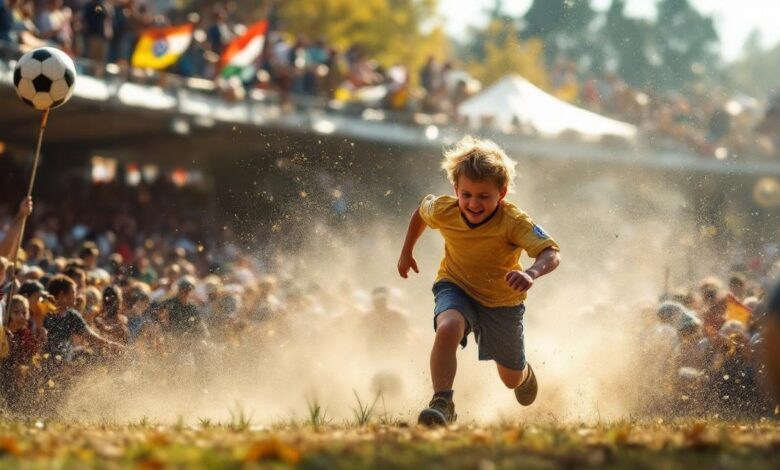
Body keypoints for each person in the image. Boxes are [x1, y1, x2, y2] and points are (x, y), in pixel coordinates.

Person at [397, 136, 561, 426]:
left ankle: (524, 373)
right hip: (455, 284)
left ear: (502, 193)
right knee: (448, 327)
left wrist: (531, 273)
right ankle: (442, 402)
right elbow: (421, 211)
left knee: (510, 379)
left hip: (502, 301)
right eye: (466, 194)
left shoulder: (514, 221)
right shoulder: (444, 209)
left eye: (484, 196)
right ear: (455, 190)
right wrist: (406, 251)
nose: (473, 203)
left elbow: (551, 252)